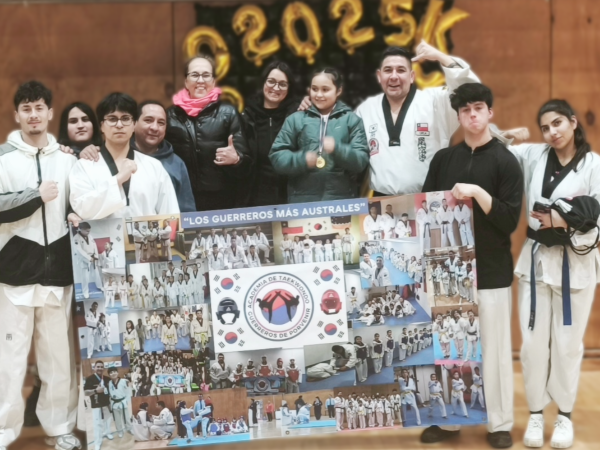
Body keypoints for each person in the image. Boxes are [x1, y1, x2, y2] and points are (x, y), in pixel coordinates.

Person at [421, 83, 523, 448]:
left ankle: (500, 423)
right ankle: (448, 421)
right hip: (449, 274)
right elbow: (424, 208)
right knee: (449, 349)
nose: (472, 115)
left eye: (478, 108)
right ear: (459, 116)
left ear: (490, 112)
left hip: (491, 270)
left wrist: (478, 193)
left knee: (494, 350)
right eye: (465, 110)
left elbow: (509, 220)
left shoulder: (506, 161)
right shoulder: (443, 159)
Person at [501, 99, 600, 449]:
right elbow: (494, 149)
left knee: (568, 346)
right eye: (545, 127)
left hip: (575, 264)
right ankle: (535, 413)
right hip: (537, 262)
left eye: (557, 123)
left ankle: (564, 416)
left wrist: (561, 220)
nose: (552, 132)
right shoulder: (534, 155)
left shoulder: (594, 165)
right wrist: (507, 135)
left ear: (573, 122)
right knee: (531, 346)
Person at [0, 81, 80, 450]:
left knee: (57, 359)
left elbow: (80, 203)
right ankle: (3, 431)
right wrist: (36, 195)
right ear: (16, 115)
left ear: (50, 112)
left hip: (57, 271)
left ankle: (59, 427)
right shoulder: (3, 159)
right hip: (14, 273)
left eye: (39, 108)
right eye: (26, 109)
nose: (33, 115)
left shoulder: (67, 159)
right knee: (9, 360)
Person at [355, 42, 479, 196]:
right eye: (388, 70)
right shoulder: (365, 109)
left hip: (429, 198)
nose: (394, 76)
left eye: (401, 70)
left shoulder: (435, 101)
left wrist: (440, 56)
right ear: (379, 76)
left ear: (412, 76)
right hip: (382, 201)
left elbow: (473, 93)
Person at [69, 92, 179, 220]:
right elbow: (82, 209)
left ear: (134, 125)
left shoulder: (154, 166)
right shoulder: (84, 166)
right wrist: (118, 179)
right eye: (112, 119)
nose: (119, 125)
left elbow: (171, 215)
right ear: (101, 126)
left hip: (148, 233)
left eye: (126, 119)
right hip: (102, 234)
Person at [166, 54, 251, 211]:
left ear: (213, 81)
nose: (200, 80)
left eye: (206, 75)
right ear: (186, 81)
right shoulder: (170, 115)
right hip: (181, 198)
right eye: (195, 75)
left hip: (221, 200)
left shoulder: (228, 113)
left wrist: (237, 159)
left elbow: (247, 164)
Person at [270, 68, 369, 202]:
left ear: (338, 90)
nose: (319, 95)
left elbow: (361, 161)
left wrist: (337, 149)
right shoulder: (295, 119)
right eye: (314, 89)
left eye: (325, 90)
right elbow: (276, 156)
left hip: (340, 200)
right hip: (302, 201)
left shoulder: (351, 120)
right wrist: (302, 159)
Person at [241, 61, 303, 205]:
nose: (276, 88)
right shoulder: (247, 116)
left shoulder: (299, 115)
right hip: (256, 197)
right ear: (263, 82)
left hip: (292, 196)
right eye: (271, 81)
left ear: (289, 88)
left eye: (282, 84)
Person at [84, 361, 114, 450]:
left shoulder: (107, 379)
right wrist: (96, 391)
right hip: (96, 405)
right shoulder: (89, 379)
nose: (100, 368)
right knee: (97, 424)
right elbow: (85, 393)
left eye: (101, 367)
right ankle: (97, 442)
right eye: (98, 366)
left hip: (106, 404)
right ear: (94, 368)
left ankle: (107, 433)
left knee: (108, 421)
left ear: (103, 368)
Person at [73, 222, 102, 299]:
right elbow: (79, 251)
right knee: (85, 277)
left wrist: (96, 255)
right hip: (84, 259)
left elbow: (94, 246)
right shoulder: (76, 238)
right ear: (81, 229)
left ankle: (100, 286)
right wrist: (89, 258)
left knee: (96, 274)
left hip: (93, 257)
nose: (88, 232)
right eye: (87, 231)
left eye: (89, 230)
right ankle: (85, 292)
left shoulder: (90, 236)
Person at [107, 367, 132, 438]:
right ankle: (120, 431)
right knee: (117, 420)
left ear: (117, 373)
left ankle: (129, 429)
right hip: (114, 403)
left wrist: (127, 401)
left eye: (114, 371)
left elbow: (128, 392)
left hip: (123, 402)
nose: (113, 373)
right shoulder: (109, 383)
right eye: (111, 372)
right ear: (109, 375)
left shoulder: (124, 381)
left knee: (126, 418)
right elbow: (109, 394)